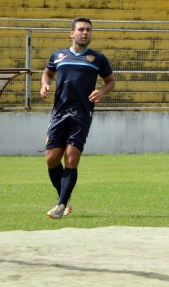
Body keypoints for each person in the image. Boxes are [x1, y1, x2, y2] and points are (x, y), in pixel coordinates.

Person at [41, 16, 115, 219]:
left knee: (71, 158)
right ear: (71, 33)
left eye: (88, 30)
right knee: (51, 159)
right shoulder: (58, 55)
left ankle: (61, 205)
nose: (85, 33)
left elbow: (110, 81)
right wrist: (44, 84)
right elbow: (47, 73)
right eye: (81, 29)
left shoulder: (97, 58)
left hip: (82, 114)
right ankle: (64, 199)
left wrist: (102, 91)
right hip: (59, 113)